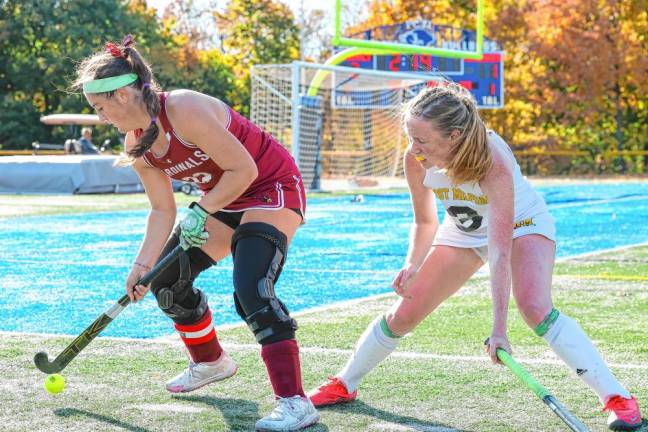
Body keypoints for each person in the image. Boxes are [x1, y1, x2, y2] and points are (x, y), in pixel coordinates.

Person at [308, 83, 642, 431]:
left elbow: (499, 251)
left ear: (454, 136)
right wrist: (412, 263)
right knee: (404, 312)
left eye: (421, 140)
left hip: (521, 224)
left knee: (534, 307)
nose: (413, 148)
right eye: (411, 137)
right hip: (463, 230)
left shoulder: (491, 161)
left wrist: (499, 329)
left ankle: (616, 396)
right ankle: (344, 384)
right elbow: (425, 221)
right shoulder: (415, 160)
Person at [73, 35, 319, 432]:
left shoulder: (183, 108)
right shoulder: (137, 142)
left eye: (100, 107)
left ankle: (294, 402)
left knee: (251, 287)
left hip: (270, 188)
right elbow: (161, 208)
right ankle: (210, 361)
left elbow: (246, 171)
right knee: (166, 281)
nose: (100, 116)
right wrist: (142, 265)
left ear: (122, 95)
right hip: (223, 201)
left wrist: (202, 210)